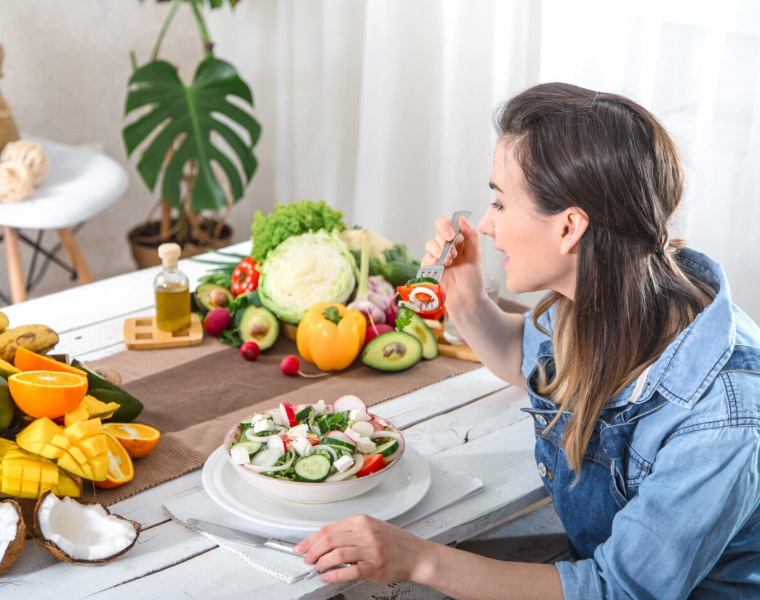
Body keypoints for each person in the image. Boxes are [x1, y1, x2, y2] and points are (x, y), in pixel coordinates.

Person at [293, 82, 760, 599]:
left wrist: (418, 558)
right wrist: (467, 299)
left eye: (498, 202)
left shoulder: (722, 418)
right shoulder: (615, 293)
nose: (487, 226)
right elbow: (526, 361)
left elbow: (614, 591)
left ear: (569, 229)